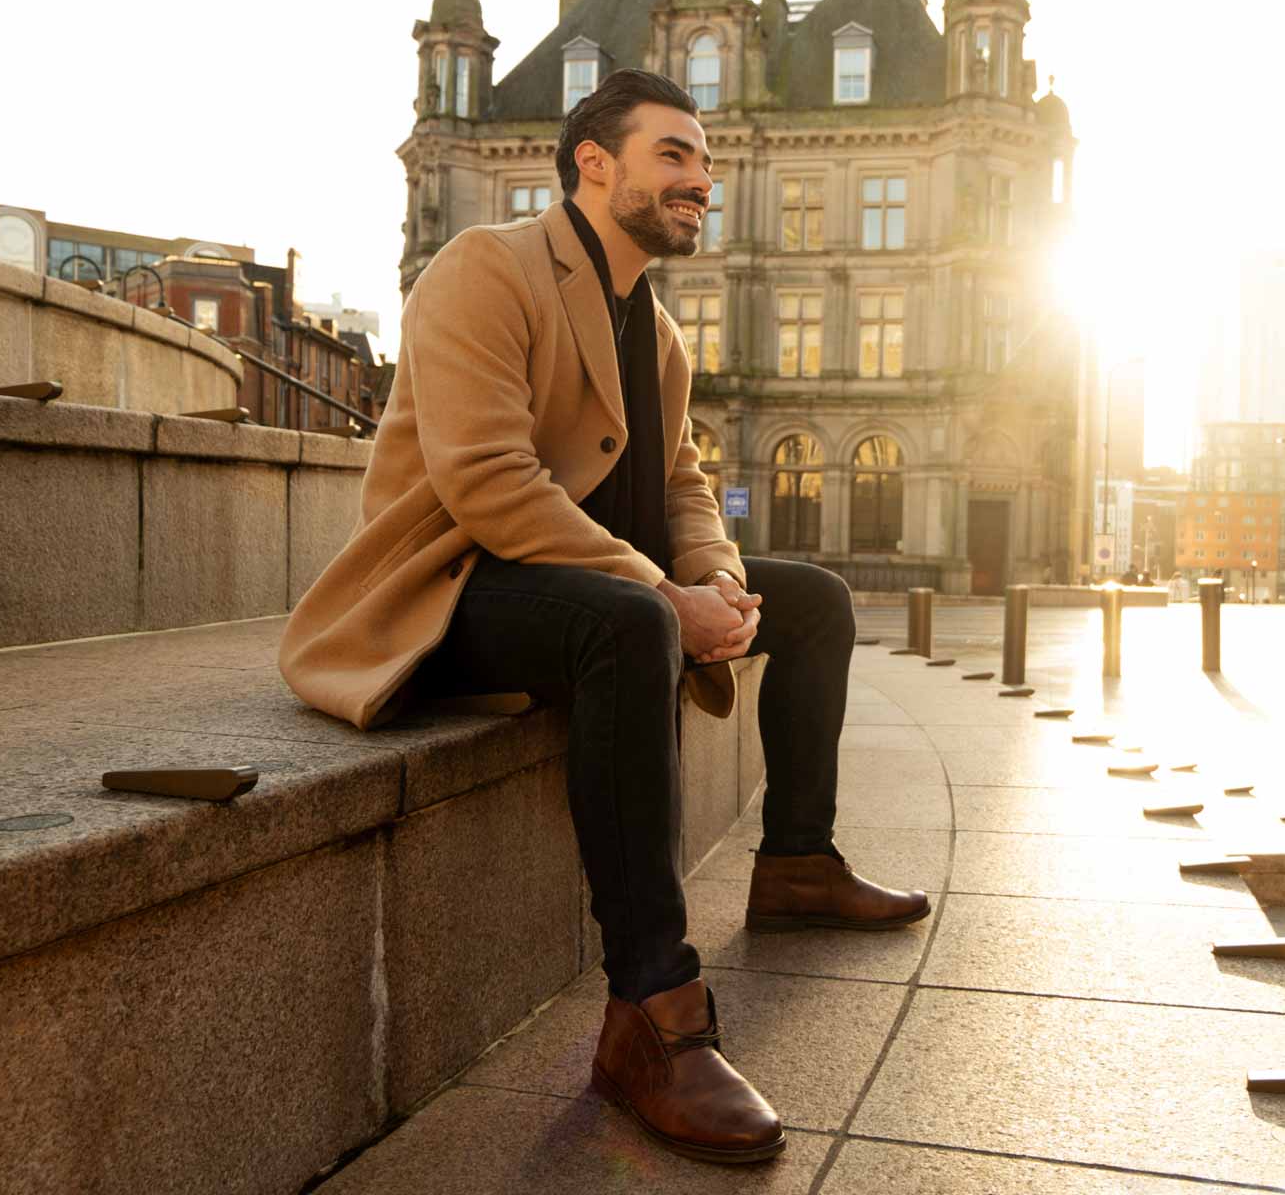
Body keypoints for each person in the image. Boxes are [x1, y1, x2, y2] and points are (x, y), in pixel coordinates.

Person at [278, 69, 927, 1166]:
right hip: (456, 586)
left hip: (600, 586)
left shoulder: (658, 332)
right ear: (594, 161)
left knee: (812, 600)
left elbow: (682, 480)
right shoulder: (485, 268)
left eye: (707, 162)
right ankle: (652, 1015)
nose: (702, 181)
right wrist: (664, 595)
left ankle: (799, 861)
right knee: (633, 626)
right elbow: (488, 480)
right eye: (673, 154)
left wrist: (716, 579)